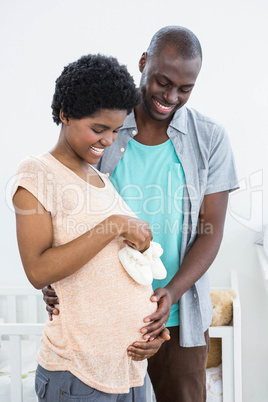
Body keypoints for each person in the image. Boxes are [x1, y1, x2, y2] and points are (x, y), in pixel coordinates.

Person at [43, 26, 239, 402]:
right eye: (163, 82)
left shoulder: (210, 138)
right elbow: (68, 211)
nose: (171, 97)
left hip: (179, 317)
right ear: (144, 63)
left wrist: (171, 293)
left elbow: (210, 231)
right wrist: (54, 277)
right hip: (102, 312)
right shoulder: (103, 127)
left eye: (185, 88)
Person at [12, 54, 170, 402]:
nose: (110, 140)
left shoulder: (100, 179)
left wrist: (151, 326)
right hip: (79, 375)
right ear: (65, 113)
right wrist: (113, 226)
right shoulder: (37, 173)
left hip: (127, 372)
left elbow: (108, 270)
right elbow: (38, 271)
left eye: (115, 129)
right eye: (99, 129)